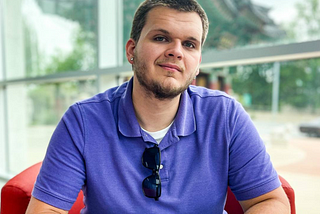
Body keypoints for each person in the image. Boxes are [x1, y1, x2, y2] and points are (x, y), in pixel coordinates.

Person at [26, 0, 290, 213]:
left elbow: (271, 201)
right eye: (161, 38)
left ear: (197, 63)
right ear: (131, 50)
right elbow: (46, 209)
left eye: (189, 44)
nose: (176, 51)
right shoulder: (82, 121)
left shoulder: (226, 116)